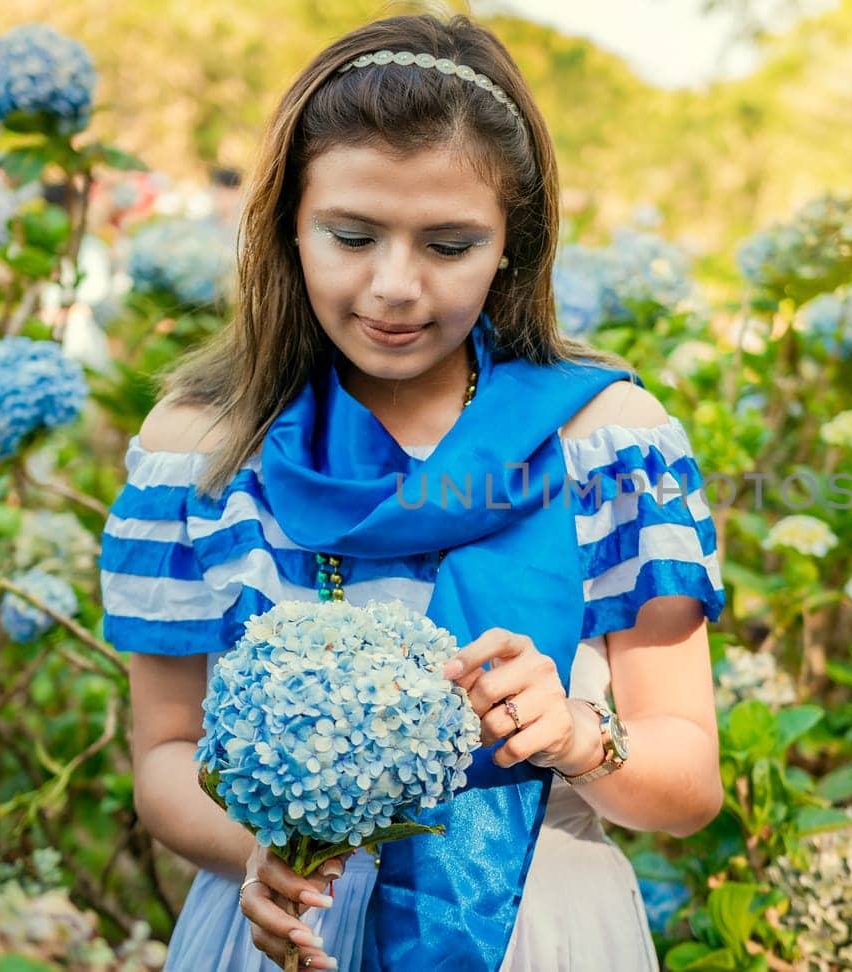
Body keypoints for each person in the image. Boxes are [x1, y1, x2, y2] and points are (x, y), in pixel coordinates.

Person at [98, 13, 725, 972]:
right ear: (286, 229)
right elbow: (164, 754)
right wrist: (262, 857)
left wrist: (576, 736)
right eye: (351, 235)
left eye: (449, 244)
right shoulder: (201, 453)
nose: (395, 286)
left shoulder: (608, 441)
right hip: (278, 926)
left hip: (539, 929)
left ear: (513, 243)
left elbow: (687, 785)